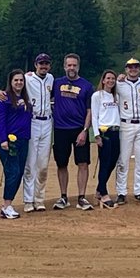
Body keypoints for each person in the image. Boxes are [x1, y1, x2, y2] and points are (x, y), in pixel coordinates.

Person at [50, 53, 94, 211]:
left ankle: (81, 197)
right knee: (62, 164)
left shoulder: (87, 86)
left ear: (78, 67)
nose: (71, 68)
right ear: (64, 66)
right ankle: (63, 197)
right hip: (60, 129)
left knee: (83, 163)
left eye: (74, 65)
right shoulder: (56, 83)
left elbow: (90, 111)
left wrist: (84, 131)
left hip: (78, 130)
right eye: (69, 65)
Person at [0, 70, 31, 219]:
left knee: (20, 172)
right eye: (16, 80)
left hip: (23, 140)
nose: (19, 83)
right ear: (10, 82)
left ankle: (8, 204)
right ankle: (6, 205)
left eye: (21, 80)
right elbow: (1, 120)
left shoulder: (25, 99)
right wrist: (3, 140)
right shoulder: (5, 98)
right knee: (13, 171)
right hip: (9, 141)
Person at [115, 58, 140, 203]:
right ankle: (121, 192)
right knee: (123, 159)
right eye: (130, 67)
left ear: (139, 69)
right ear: (125, 69)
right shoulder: (119, 84)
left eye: (135, 67)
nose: (133, 69)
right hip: (125, 124)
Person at [23, 53, 54, 212]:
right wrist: (1, 92)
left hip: (47, 122)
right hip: (33, 121)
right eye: (41, 63)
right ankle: (28, 200)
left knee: (43, 165)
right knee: (30, 164)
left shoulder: (51, 79)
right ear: (35, 64)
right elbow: (13, 85)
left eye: (46, 63)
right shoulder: (27, 78)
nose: (44, 66)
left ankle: (39, 198)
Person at [90, 69, 122, 208]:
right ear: (103, 80)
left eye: (113, 79)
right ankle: (103, 193)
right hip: (105, 132)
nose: (110, 81)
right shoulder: (97, 96)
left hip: (116, 131)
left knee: (113, 161)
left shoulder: (116, 97)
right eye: (108, 78)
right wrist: (97, 135)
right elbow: (94, 116)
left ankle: (99, 188)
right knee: (105, 162)